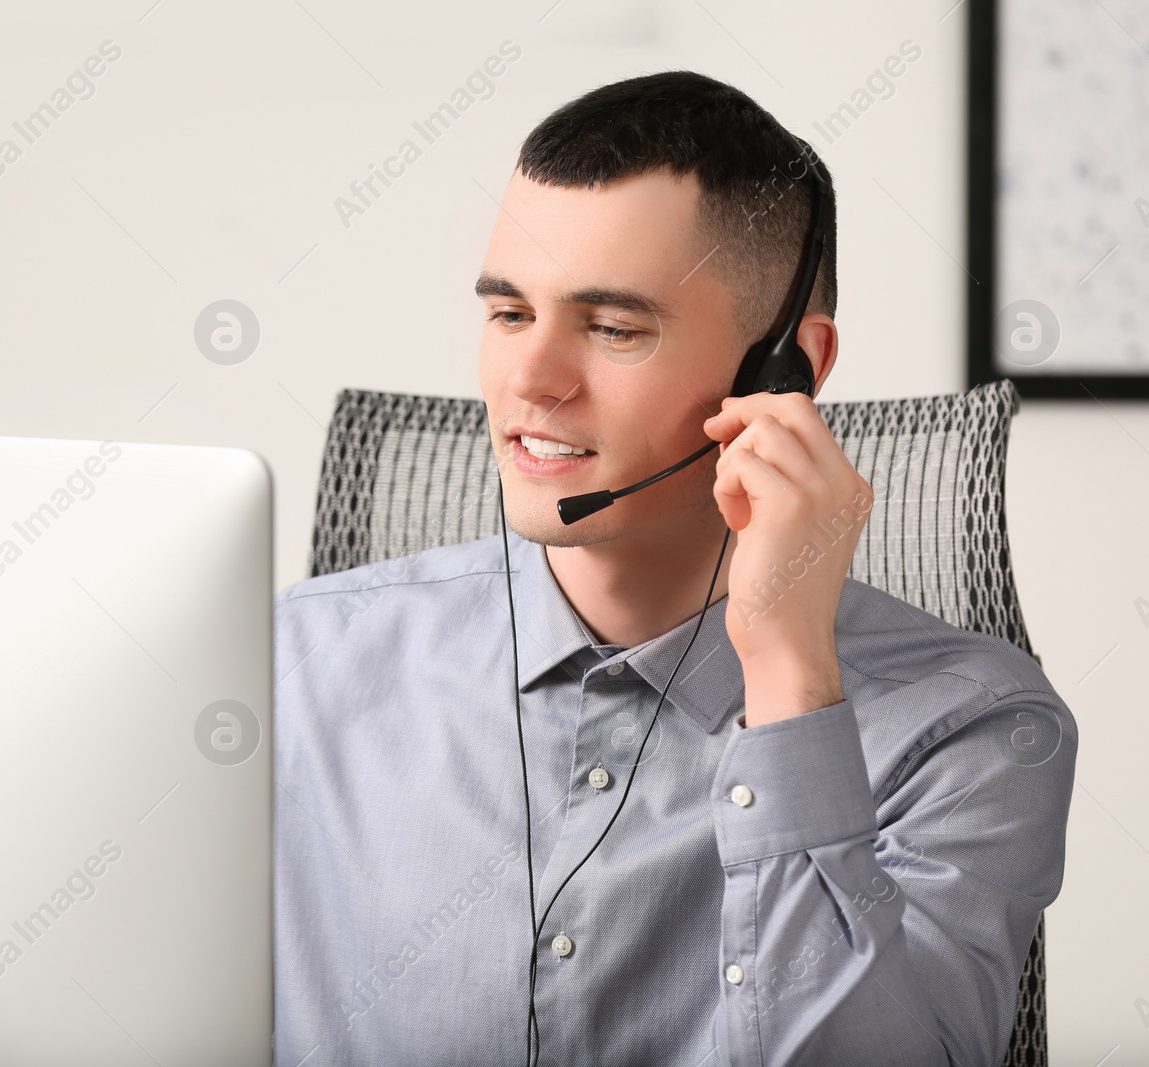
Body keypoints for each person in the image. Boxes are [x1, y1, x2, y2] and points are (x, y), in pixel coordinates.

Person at [273, 70, 1076, 1066]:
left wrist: (786, 672)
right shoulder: (287, 663)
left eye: (612, 327)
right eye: (509, 313)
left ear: (785, 372)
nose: (529, 380)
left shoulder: (972, 724)